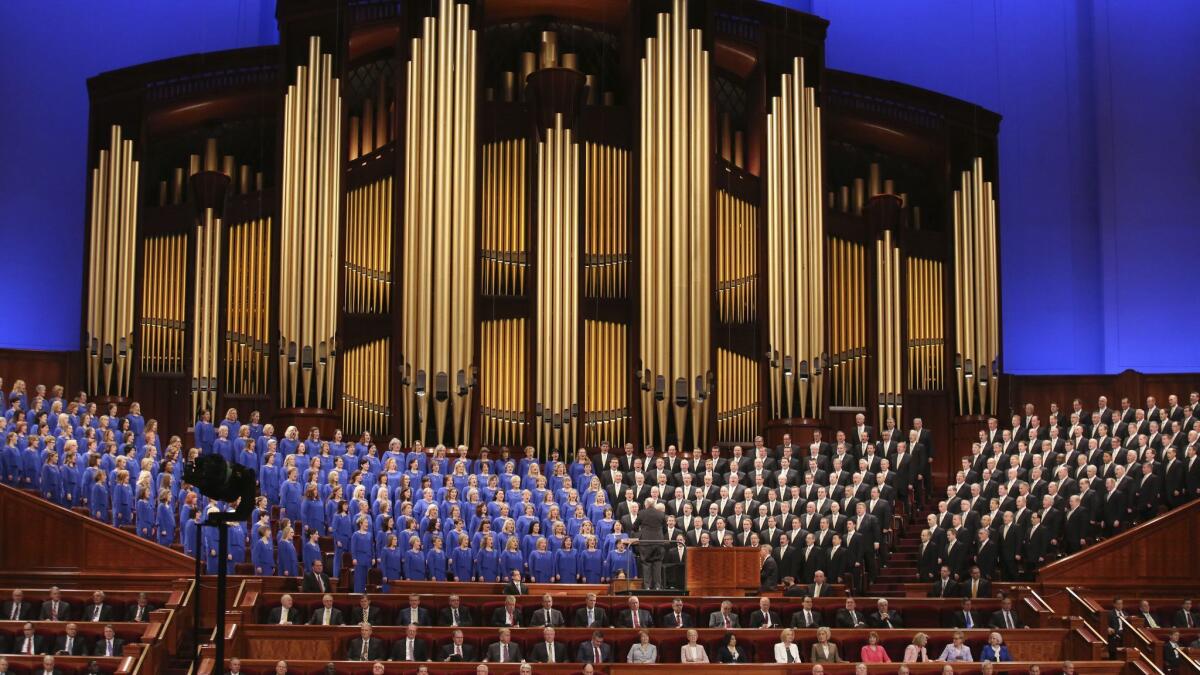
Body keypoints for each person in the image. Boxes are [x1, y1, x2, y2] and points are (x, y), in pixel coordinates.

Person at [632, 498, 667, 589]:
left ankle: (647, 586)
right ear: (654, 504)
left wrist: (641, 531)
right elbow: (665, 530)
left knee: (646, 564)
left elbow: (634, 527)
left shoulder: (642, 513)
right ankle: (657, 587)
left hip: (646, 543)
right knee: (657, 563)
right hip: (658, 543)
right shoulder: (661, 514)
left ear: (646, 504)